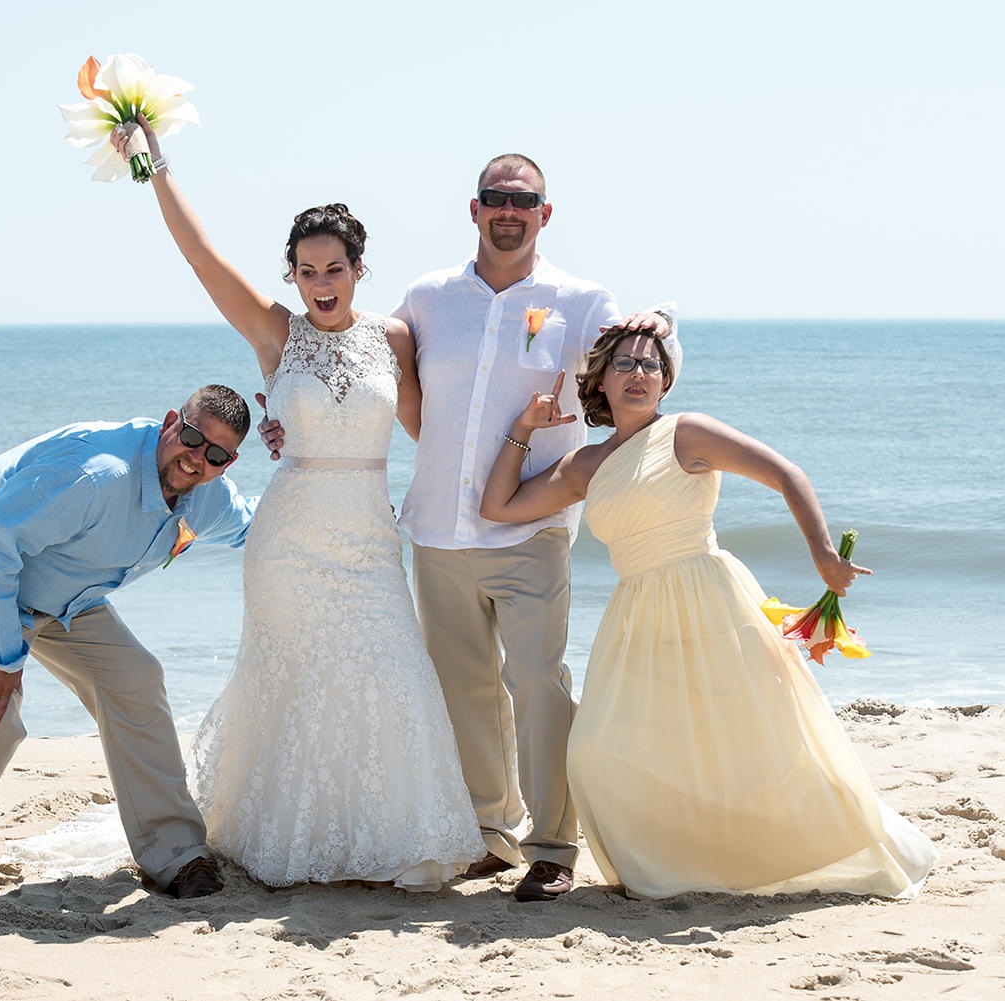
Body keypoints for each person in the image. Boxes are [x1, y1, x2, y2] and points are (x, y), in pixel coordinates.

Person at [263, 153, 676, 900]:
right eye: (495, 198)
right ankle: (489, 834)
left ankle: (553, 844)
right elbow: (354, 356)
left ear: (544, 213)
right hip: (436, 532)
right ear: (475, 209)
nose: (507, 210)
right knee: (463, 690)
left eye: (523, 200)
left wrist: (665, 322)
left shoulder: (582, 300)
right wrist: (281, 414)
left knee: (539, 686)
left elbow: (640, 369)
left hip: (531, 533)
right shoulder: (427, 298)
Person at [108, 120, 484, 890]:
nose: (322, 281)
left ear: (358, 269)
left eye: (335, 267)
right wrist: (153, 165)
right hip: (289, 540)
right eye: (307, 268)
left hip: (370, 539)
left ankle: (386, 836)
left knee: (388, 671)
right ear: (291, 273)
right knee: (298, 680)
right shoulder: (276, 336)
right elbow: (200, 255)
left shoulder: (396, 338)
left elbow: (432, 430)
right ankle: (287, 836)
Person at [479, 328, 938, 899]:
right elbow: (497, 506)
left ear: (665, 381)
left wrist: (822, 554)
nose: (638, 374)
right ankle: (671, 860)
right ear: (600, 379)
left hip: (710, 599)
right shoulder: (586, 464)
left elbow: (785, 473)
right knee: (598, 749)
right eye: (624, 364)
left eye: (650, 365)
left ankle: (811, 848)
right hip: (637, 613)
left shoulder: (686, 433)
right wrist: (522, 429)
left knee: (754, 743)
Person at [0, 388, 258, 898]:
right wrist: (0, 658)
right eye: (191, 438)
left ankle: (177, 856)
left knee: (136, 679)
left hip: (60, 595)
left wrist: (337, 501)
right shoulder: (96, 474)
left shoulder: (208, 496)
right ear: (172, 421)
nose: (196, 459)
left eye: (215, 454)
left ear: (228, 461)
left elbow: (256, 528)